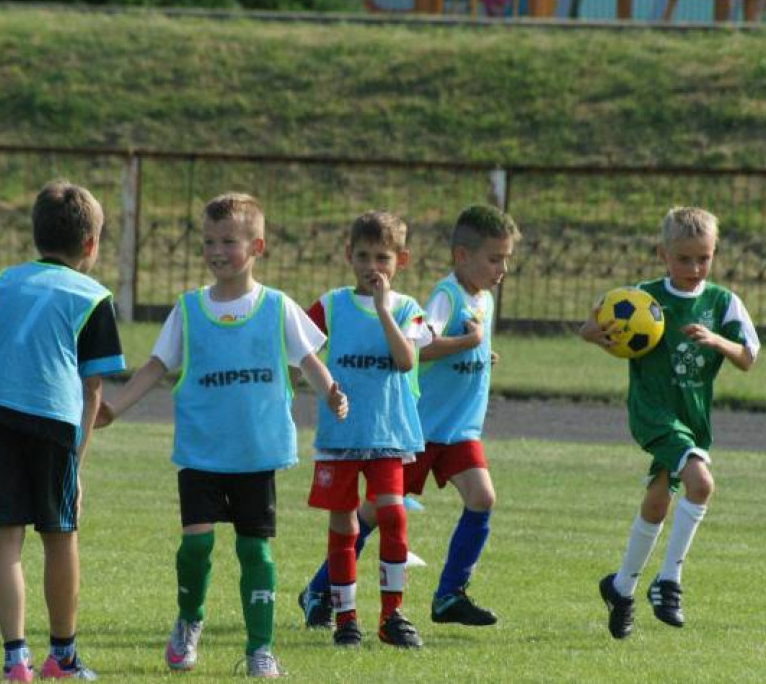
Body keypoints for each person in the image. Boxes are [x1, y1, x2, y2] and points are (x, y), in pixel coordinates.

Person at [96, 192, 348, 677]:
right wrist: (116, 407)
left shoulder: (276, 307)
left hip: (254, 455)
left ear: (257, 246)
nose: (217, 251)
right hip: (202, 454)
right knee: (196, 546)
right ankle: (189, 622)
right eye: (209, 241)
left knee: (254, 550)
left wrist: (332, 392)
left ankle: (260, 648)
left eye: (228, 241)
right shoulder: (189, 309)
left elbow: (309, 361)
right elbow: (155, 366)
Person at [299, 204, 520, 631]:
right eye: (495, 258)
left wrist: (478, 350)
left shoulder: (485, 299)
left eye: (506, 258)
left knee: (482, 497)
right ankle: (320, 588)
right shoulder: (444, 296)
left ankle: (449, 595)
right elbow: (420, 347)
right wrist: (465, 343)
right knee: (376, 514)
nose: (502, 267)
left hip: (459, 430)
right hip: (418, 428)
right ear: (462, 256)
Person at [0, 180, 126, 682]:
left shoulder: (2, 282)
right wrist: (76, 466)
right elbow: (92, 390)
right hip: (51, 417)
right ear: (91, 244)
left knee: (5, 537)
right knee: (60, 534)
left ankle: (16, 660)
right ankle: (62, 656)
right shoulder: (94, 296)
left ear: (37, 237)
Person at [580, 207, 759, 640]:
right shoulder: (641, 299)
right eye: (684, 259)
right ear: (663, 253)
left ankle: (620, 588)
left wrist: (718, 341)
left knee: (659, 500)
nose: (695, 268)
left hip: (692, 415)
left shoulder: (722, 302)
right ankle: (668, 583)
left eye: (704, 258)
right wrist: (597, 336)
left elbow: (749, 357)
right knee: (701, 483)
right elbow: (590, 326)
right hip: (653, 412)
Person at [303, 211, 431, 649]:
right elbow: (300, 349)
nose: (372, 266)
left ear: (402, 260)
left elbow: (406, 360)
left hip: (388, 434)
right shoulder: (331, 304)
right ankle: (345, 619)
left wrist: (382, 309)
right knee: (344, 525)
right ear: (347, 256)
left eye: (382, 257)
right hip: (341, 436)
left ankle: (392, 616)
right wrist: (326, 388)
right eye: (362, 256)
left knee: (393, 515)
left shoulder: (410, 309)